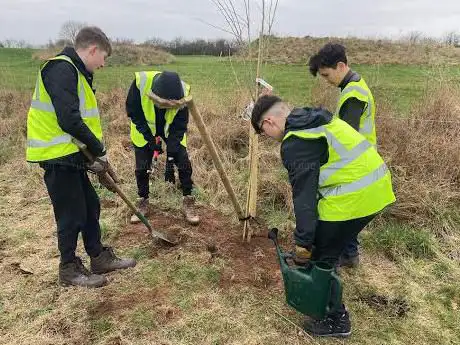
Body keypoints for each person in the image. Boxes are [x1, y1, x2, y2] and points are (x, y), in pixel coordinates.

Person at [250, 95, 395, 337]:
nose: (270, 139)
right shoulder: (311, 119)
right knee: (330, 242)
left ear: (268, 122)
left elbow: (304, 200)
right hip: (376, 187)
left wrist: (304, 244)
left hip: (354, 196)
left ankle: (336, 321)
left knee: (321, 257)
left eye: (264, 133)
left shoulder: (296, 142)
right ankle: (338, 258)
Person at [26, 27, 136, 288]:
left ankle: (98, 256)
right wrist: (98, 150)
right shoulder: (61, 70)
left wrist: (91, 160)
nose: (103, 64)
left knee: (90, 206)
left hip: (72, 155)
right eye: (104, 58)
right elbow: (69, 120)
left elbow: (77, 121)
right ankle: (68, 268)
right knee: (70, 213)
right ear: (93, 49)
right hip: (57, 156)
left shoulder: (76, 73)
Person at [309, 42, 377, 267]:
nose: (327, 80)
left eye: (327, 75)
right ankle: (350, 254)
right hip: (362, 158)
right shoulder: (354, 85)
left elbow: (346, 136)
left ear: (340, 66)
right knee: (352, 206)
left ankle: (337, 256)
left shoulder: (353, 94)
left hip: (355, 163)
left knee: (343, 209)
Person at [126, 70, 200, 225]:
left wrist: (171, 158)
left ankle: (188, 200)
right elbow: (134, 113)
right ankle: (143, 201)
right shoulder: (140, 84)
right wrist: (150, 139)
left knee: (184, 163)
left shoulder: (183, 92)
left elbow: (179, 127)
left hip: (170, 129)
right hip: (144, 128)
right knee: (142, 167)